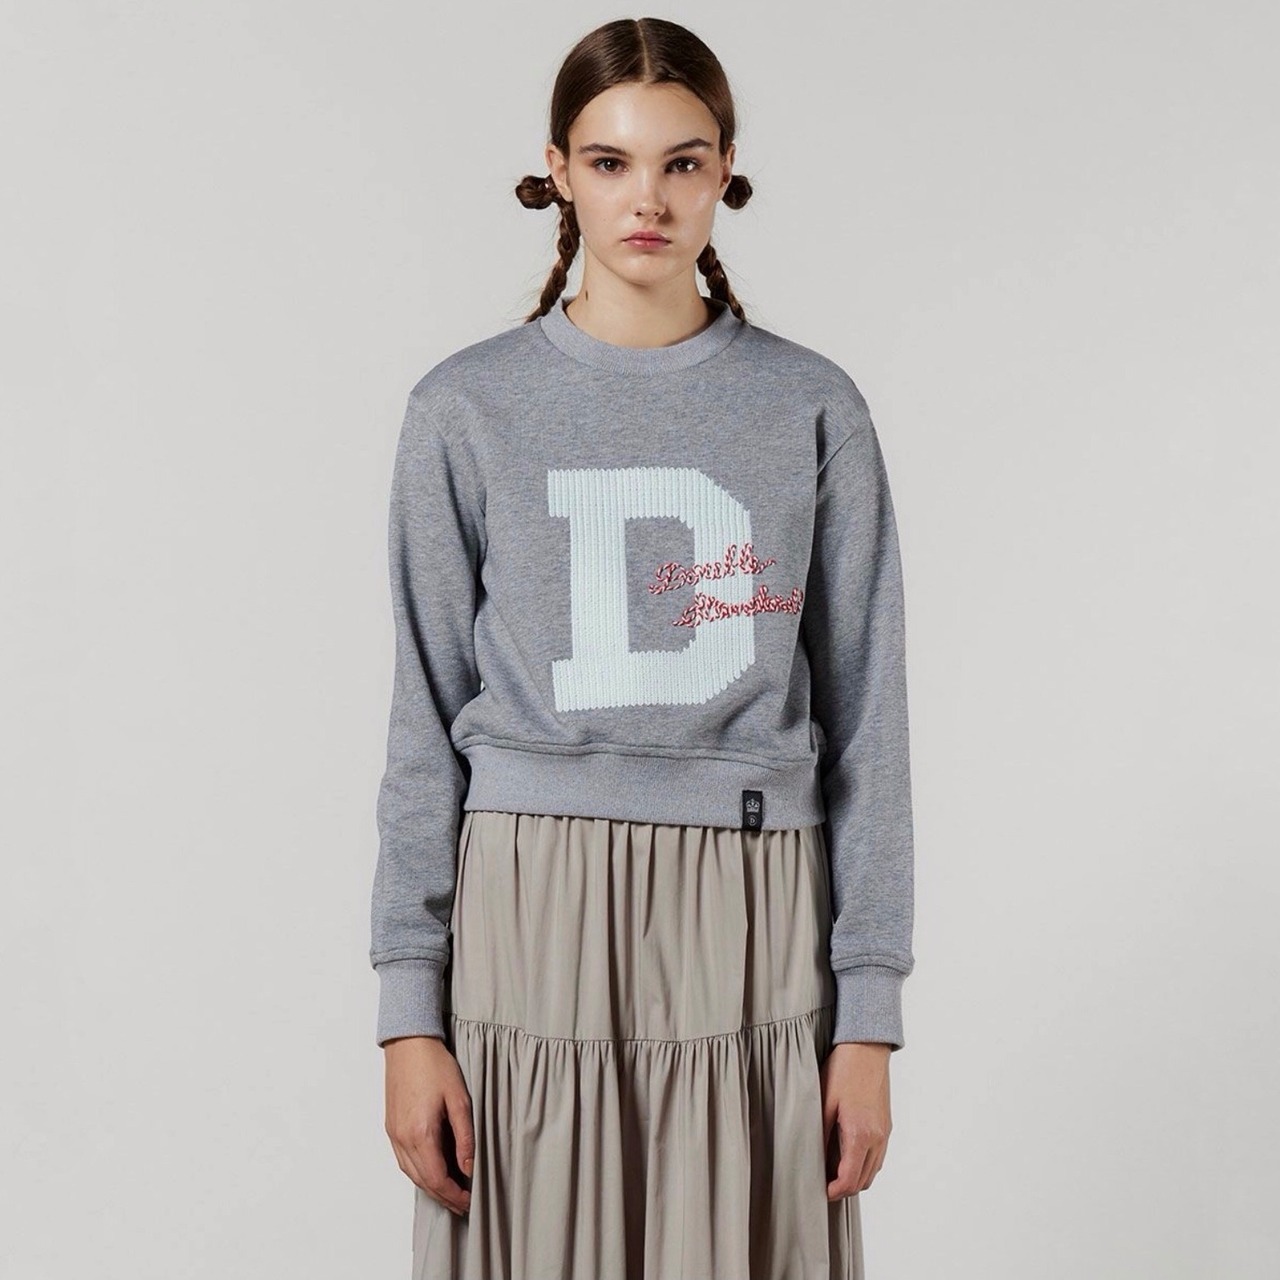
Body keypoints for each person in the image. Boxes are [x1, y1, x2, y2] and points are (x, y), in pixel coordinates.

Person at [369, 16, 916, 1279]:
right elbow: (421, 720)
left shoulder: (810, 405)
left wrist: (867, 1017)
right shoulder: (463, 407)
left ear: (725, 172)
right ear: (557, 171)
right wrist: (407, 1011)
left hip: (752, 906)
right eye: (610, 162)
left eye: (682, 162)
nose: (648, 199)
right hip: (528, 904)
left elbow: (868, 723)